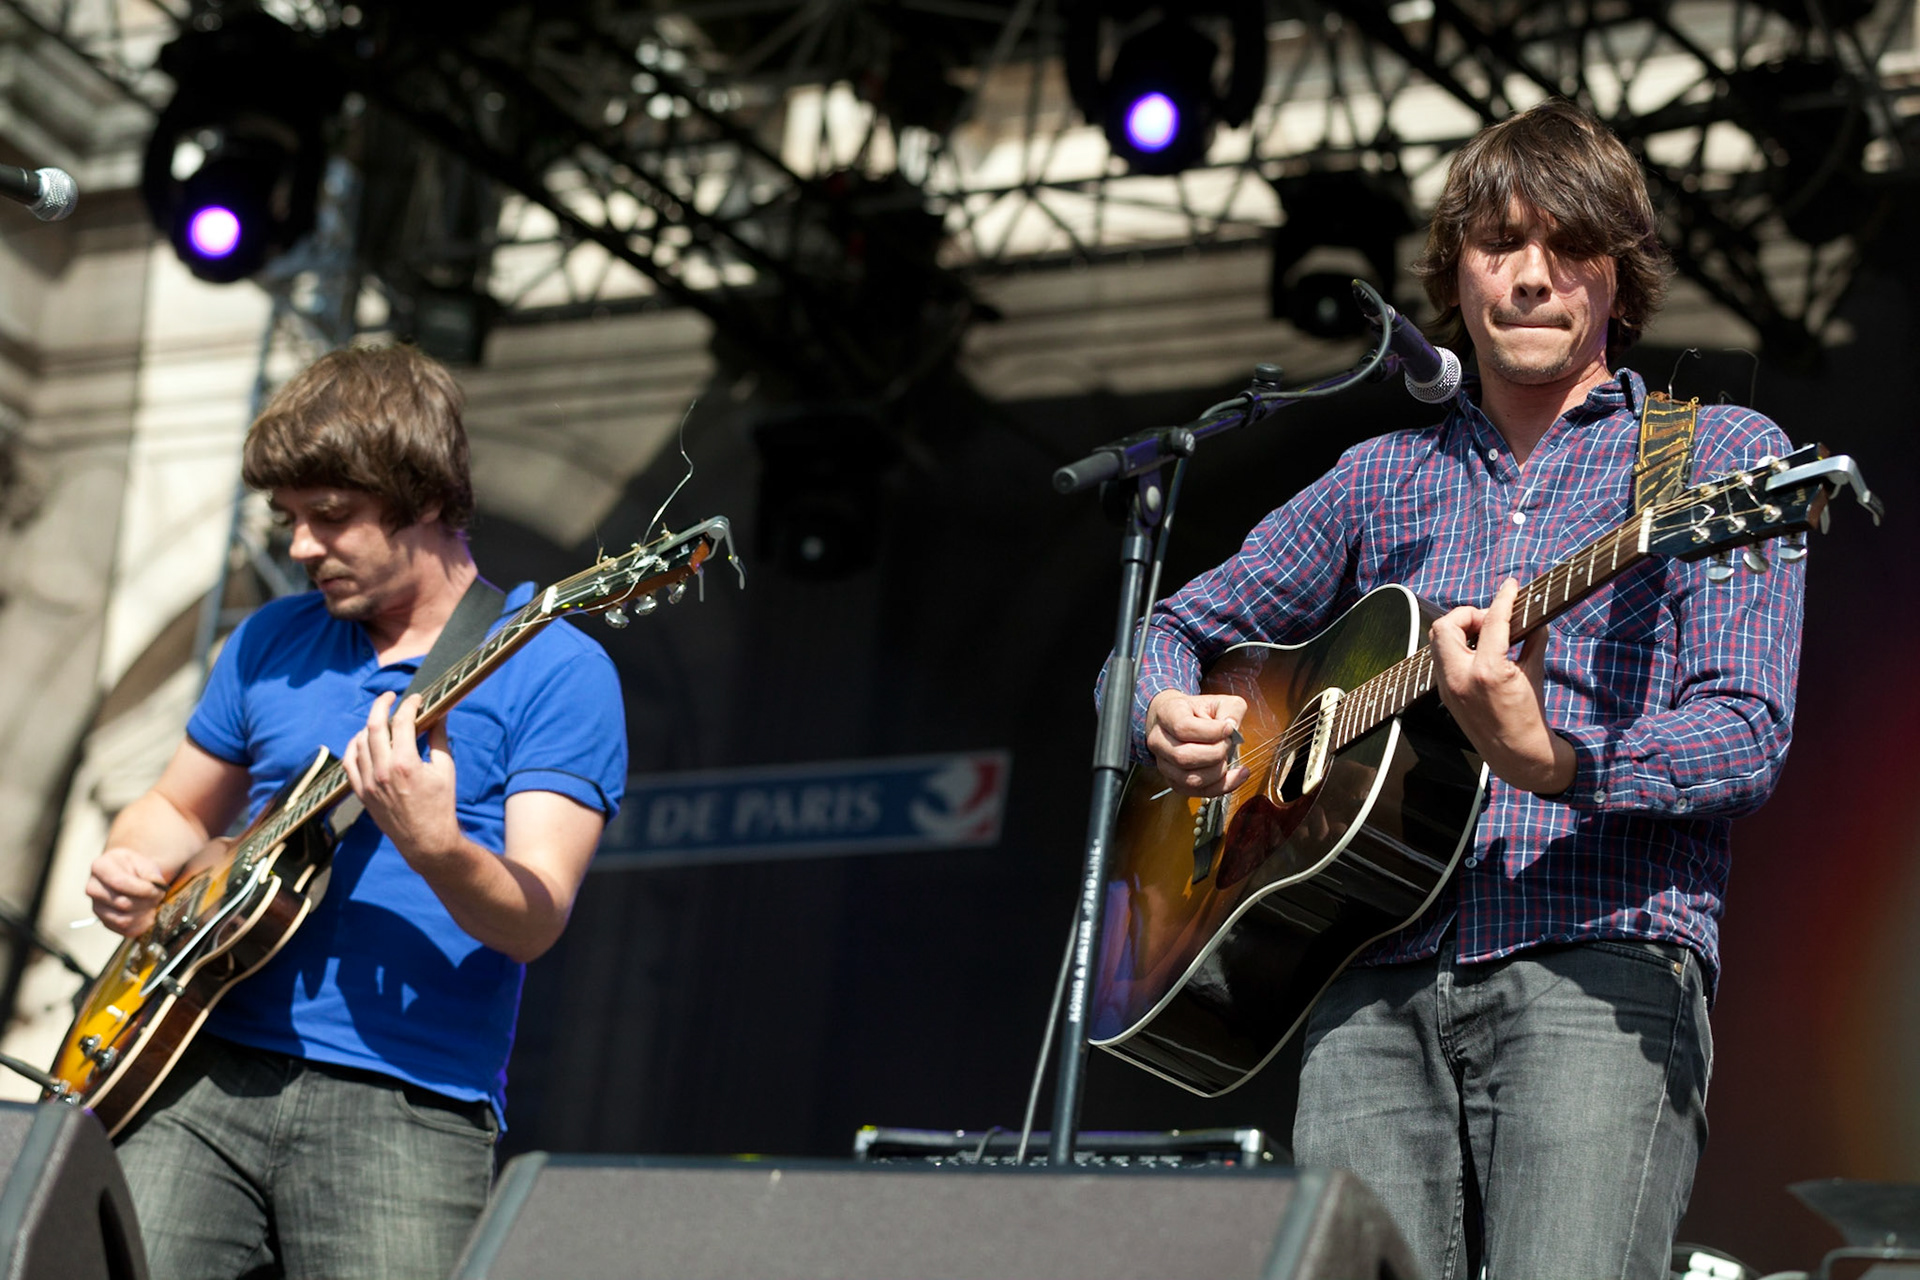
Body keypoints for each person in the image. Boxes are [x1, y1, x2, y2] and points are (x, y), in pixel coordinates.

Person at [1126, 100, 1803, 1279]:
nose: (1532, 277)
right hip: (1362, 981)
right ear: (1455, 273)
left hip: (1600, 965)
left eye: (1568, 245)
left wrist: (1555, 760)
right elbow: (1175, 622)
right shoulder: (1381, 477)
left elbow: (1745, 733)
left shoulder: (1716, 457)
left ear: (1618, 274)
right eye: (1499, 245)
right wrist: (1161, 703)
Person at [84, 344, 628, 1279]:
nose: (299, 548)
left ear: (422, 497)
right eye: (288, 519)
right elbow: (176, 803)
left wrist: (436, 845)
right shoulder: (268, 639)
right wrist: (134, 865)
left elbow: (535, 918)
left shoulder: (558, 667)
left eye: (330, 518)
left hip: (408, 1108)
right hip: (199, 1065)